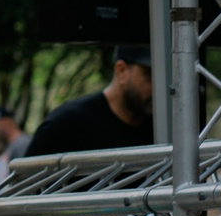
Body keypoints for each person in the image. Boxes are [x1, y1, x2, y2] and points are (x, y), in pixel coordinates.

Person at [21, 48, 156, 158]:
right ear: (121, 71)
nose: (158, 84)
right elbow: (25, 185)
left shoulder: (161, 127)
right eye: (149, 74)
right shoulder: (68, 123)